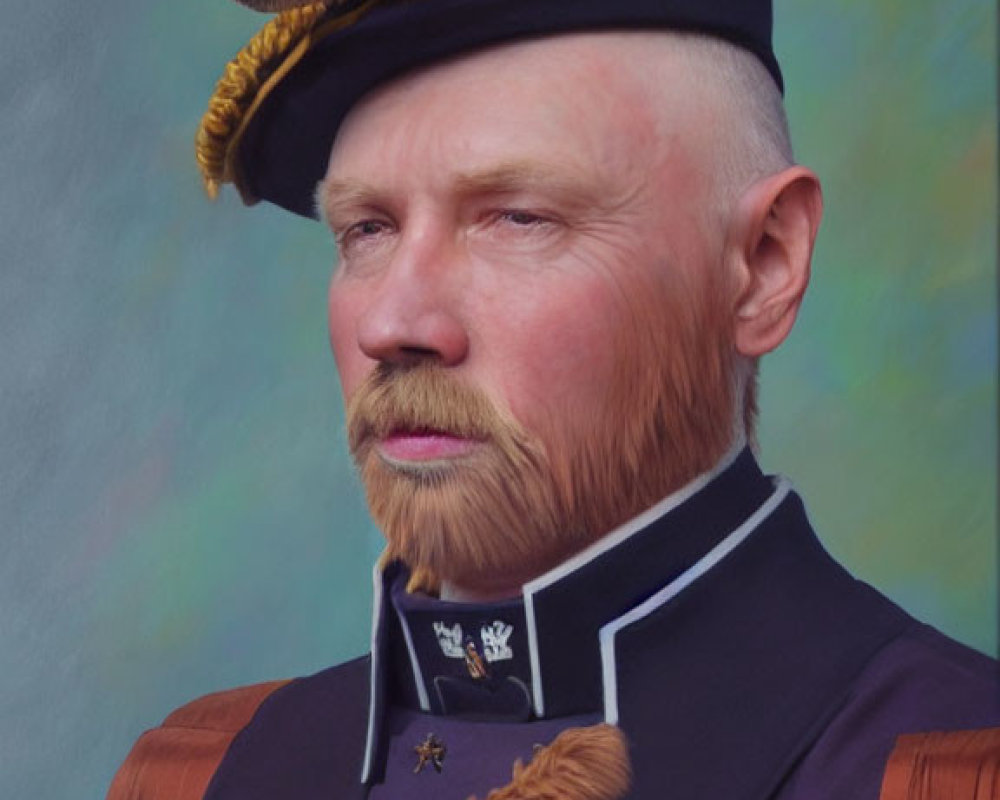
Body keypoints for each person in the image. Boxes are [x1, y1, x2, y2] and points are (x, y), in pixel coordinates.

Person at [108, 1, 999, 798]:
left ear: (764, 264)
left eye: (518, 217)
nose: (394, 321)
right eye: (367, 229)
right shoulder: (205, 774)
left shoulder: (944, 772)